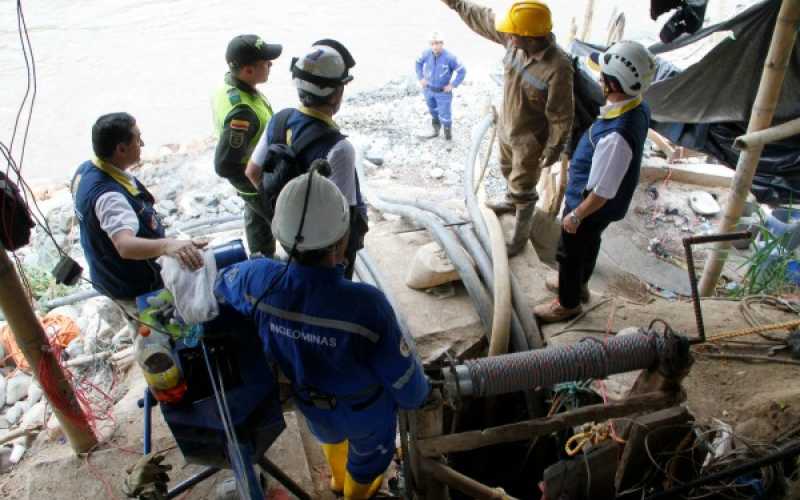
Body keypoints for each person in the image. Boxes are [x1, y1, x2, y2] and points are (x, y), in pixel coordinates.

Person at [214, 170, 430, 499]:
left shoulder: (256, 278)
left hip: (312, 405)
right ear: (341, 238)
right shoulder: (366, 305)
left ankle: (336, 481)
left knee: (330, 437)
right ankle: (355, 494)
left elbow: (219, 283)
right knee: (368, 460)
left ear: (280, 235)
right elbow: (407, 387)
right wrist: (421, 392)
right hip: (365, 413)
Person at [440, 0, 574, 255]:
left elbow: (561, 115)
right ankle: (511, 202)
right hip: (507, 126)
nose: (507, 36)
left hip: (530, 140)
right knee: (506, 170)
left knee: (524, 186)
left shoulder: (558, 67)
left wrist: (554, 148)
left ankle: (519, 237)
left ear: (530, 38)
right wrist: (455, 3)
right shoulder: (516, 39)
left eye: (512, 34)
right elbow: (482, 17)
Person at [534, 41, 655, 322]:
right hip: (604, 208)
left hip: (590, 206)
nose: (599, 78)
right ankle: (579, 286)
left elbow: (602, 190)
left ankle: (567, 303)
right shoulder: (637, 108)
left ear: (614, 84)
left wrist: (576, 215)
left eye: (604, 76)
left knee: (570, 252)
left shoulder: (615, 137)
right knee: (589, 244)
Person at [246, 39, 367, 279]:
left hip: (292, 238)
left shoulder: (279, 120)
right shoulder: (339, 148)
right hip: (327, 252)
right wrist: (338, 263)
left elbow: (252, 172)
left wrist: (282, 216)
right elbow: (344, 218)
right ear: (336, 94)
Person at [71, 112, 205, 307]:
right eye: (138, 139)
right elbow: (125, 246)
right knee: (156, 331)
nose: (142, 144)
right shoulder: (110, 197)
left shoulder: (85, 170)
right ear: (121, 149)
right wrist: (167, 245)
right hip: (132, 286)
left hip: (109, 274)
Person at [212, 34, 282, 257]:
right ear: (248, 70)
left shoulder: (230, 85)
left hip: (252, 175)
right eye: (266, 62)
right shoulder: (242, 112)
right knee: (284, 222)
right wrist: (257, 185)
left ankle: (261, 259)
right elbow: (224, 165)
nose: (271, 65)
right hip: (254, 178)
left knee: (256, 219)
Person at [415, 31, 466, 140]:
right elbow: (418, 63)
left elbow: (462, 71)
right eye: (432, 43)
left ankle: (448, 135)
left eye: (437, 43)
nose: (435, 46)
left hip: (443, 92)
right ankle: (435, 130)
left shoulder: (450, 57)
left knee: (445, 114)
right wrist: (421, 78)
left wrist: (453, 85)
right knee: (432, 110)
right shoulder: (426, 53)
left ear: (442, 43)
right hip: (428, 89)